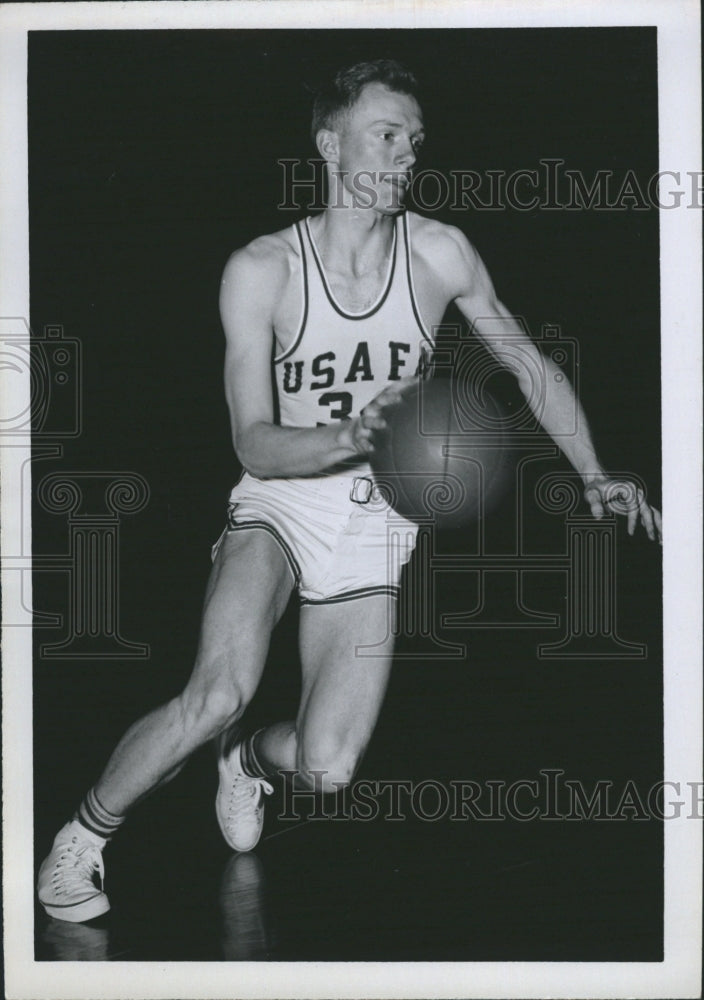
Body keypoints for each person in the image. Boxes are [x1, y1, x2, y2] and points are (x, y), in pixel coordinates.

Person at [37, 59, 662, 924]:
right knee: (216, 691)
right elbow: (252, 438)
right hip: (280, 498)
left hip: (375, 522)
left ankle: (249, 762)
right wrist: (346, 436)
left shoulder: (441, 253)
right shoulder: (263, 269)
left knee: (327, 769)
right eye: (387, 134)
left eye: (415, 140)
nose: (407, 154)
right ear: (330, 145)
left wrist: (596, 474)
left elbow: (527, 365)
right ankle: (82, 838)